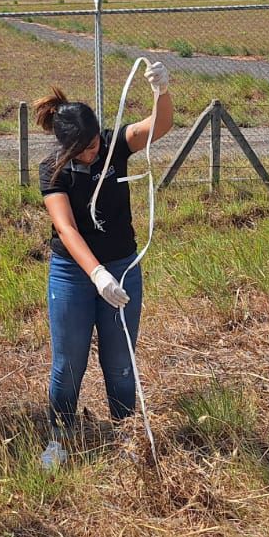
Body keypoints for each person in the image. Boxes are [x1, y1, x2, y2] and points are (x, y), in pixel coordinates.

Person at [35, 62, 172, 469]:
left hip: (123, 266)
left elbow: (157, 126)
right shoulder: (52, 170)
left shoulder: (115, 145)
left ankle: (126, 434)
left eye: (96, 143)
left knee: (119, 358)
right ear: (67, 148)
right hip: (74, 274)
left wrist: (163, 92)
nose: (95, 152)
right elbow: (66, 228)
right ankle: (60, 436)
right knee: (69, 360)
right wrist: (96, 273)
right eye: (86, 149)